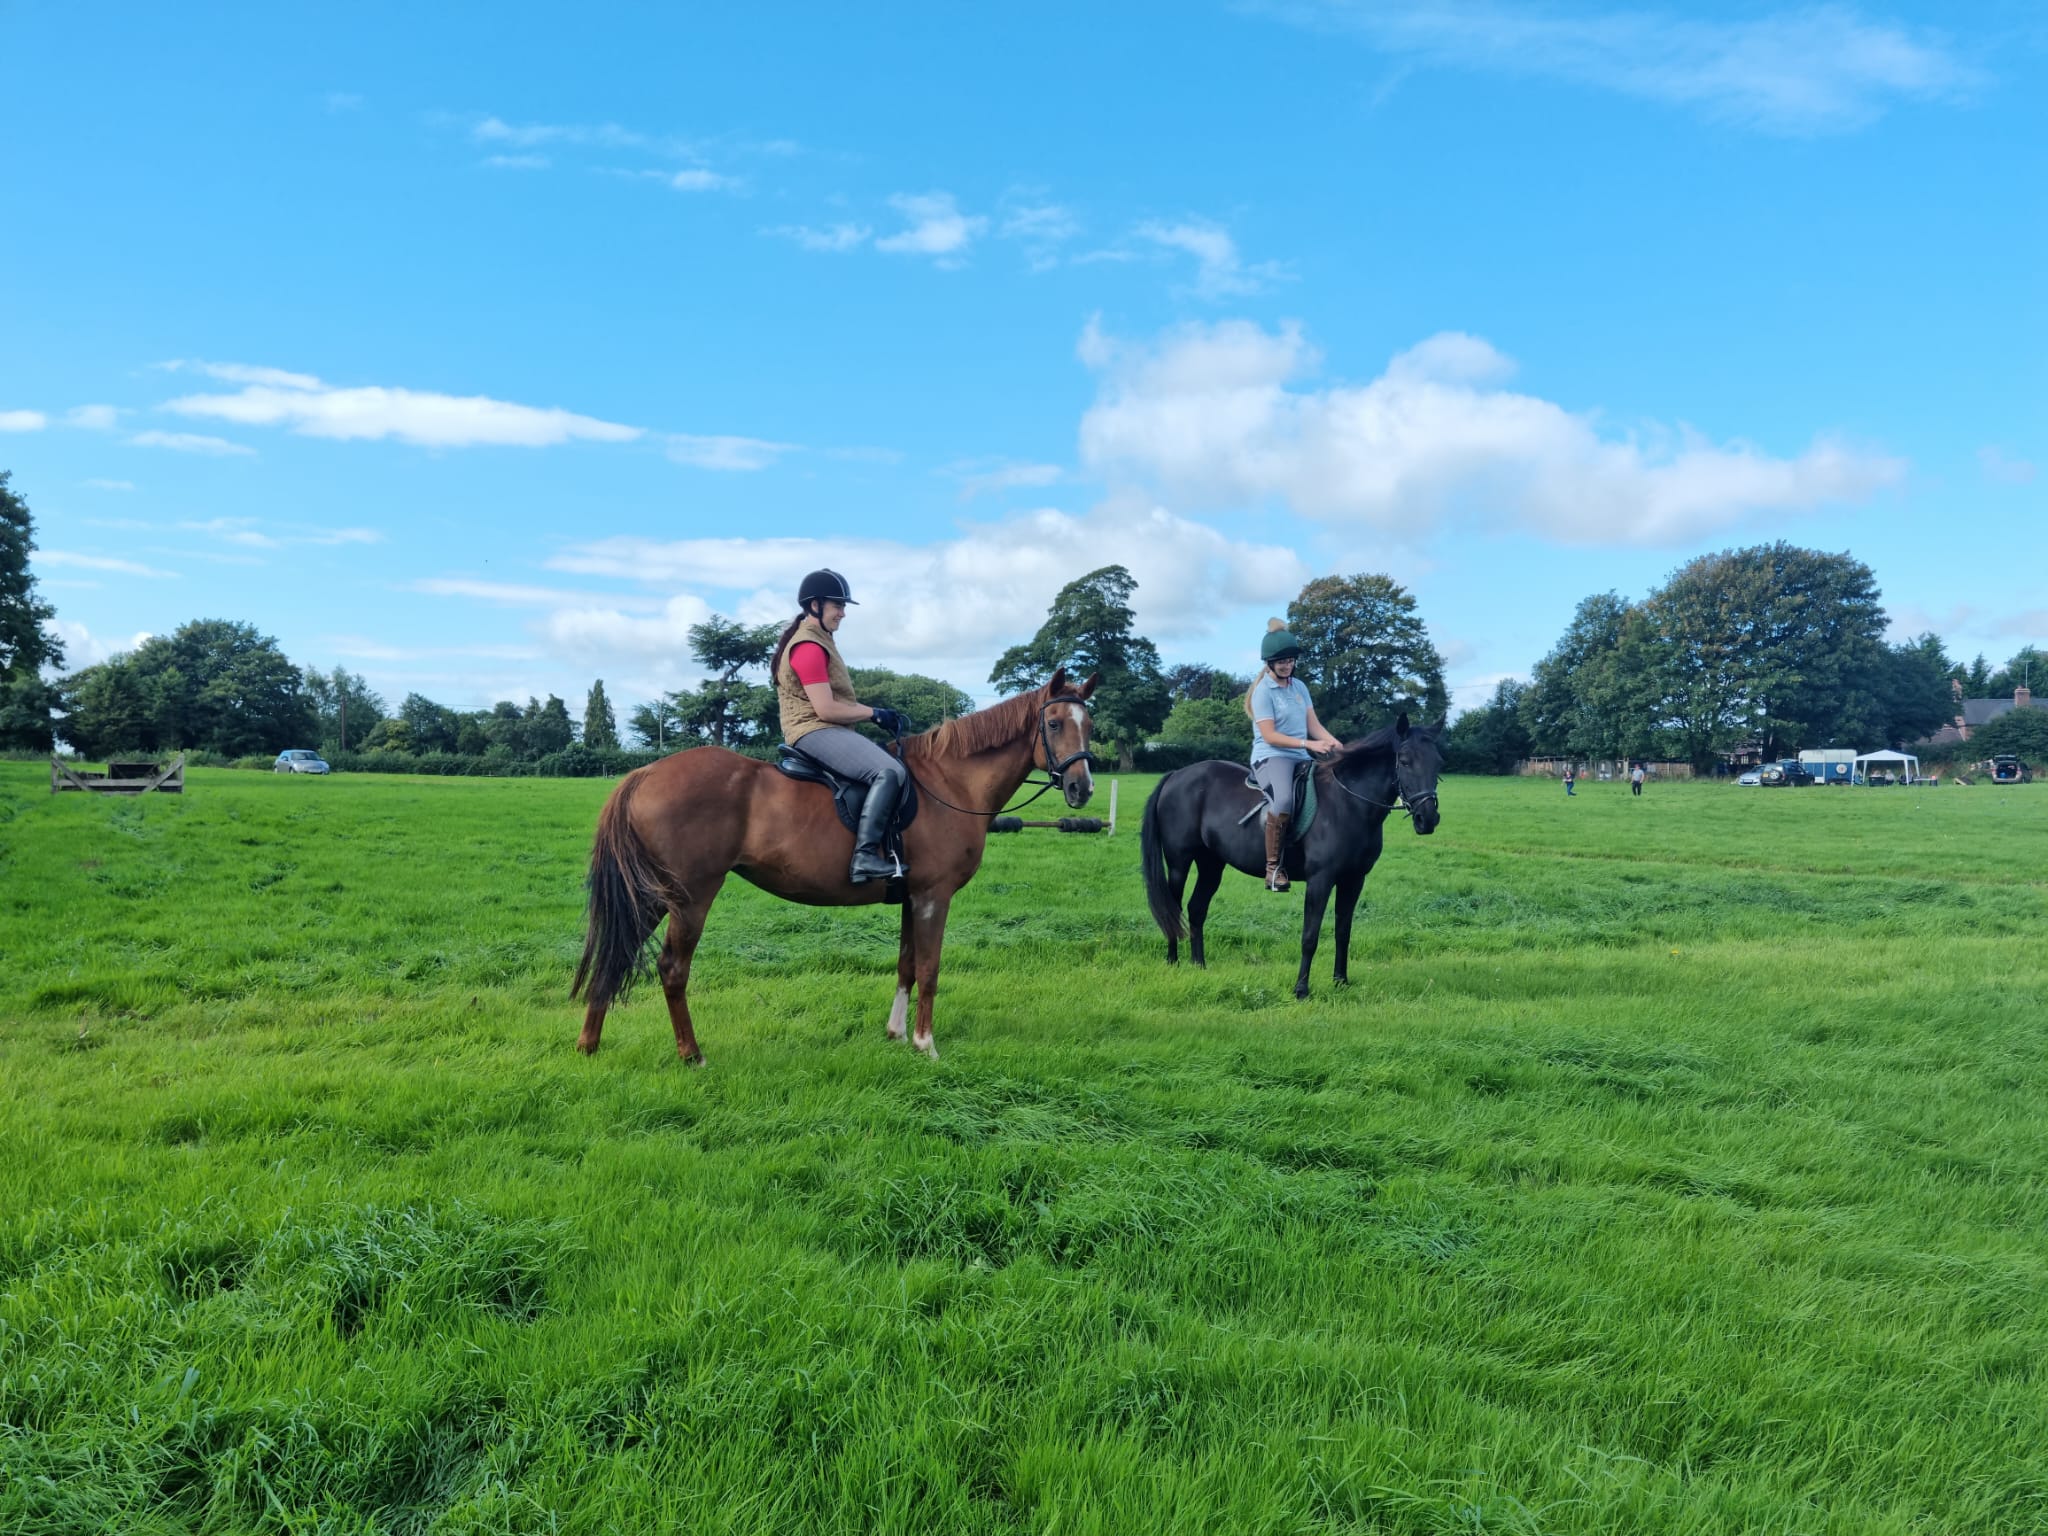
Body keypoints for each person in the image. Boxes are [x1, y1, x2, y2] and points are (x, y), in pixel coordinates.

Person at [773, 568, 914, 884]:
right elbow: (825, 708)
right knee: (888, 771)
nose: (843, 613)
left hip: (824, 729)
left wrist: (873, 714)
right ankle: (864, 856)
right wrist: (873, 714)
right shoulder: (808, 646)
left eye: (843, 606)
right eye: (837, 605)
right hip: (813, 730)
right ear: (815, 606)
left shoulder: (820, 639)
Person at [1245, 618, 1340, 891]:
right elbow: (1271, 735)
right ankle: (1273, 869)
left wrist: (1340, 746)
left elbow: (1314, 726)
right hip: (1271, 756)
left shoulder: (1299, 688)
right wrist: (1309, 745)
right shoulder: (1263, 692)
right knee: (1284, 799)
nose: (1287, 664)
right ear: (1269, 663)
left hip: (1301, 758)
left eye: (1290, 659)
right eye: (1281, 661)